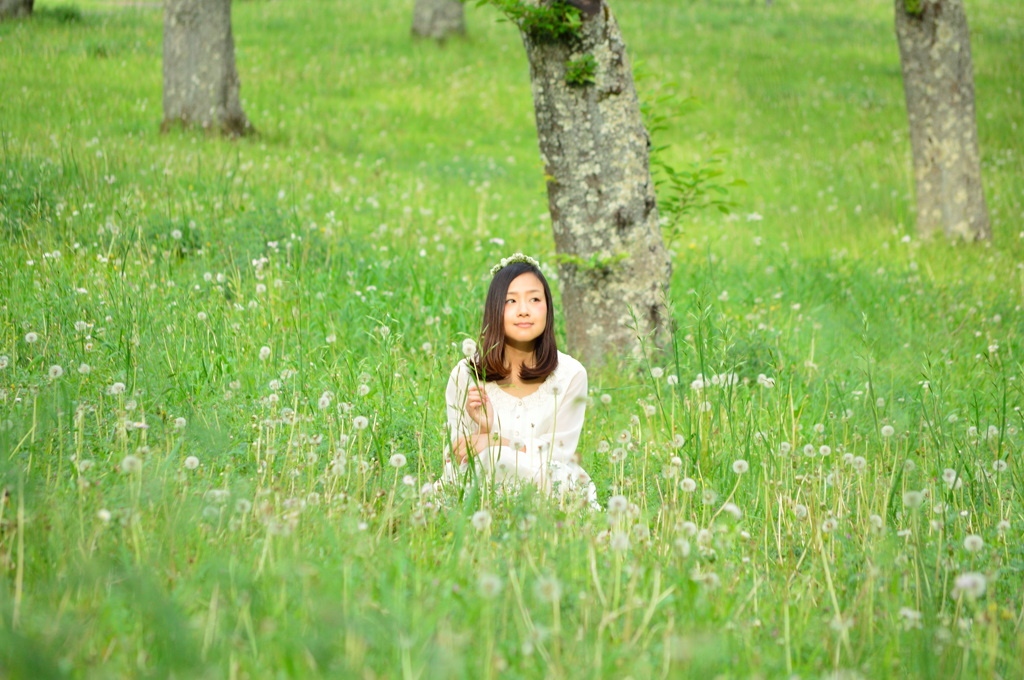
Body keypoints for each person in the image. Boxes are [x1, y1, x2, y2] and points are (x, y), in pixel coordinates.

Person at [441, 254, 598, 507]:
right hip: (482, 495)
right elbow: (457, 455)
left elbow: (559, 453)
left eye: (534, 299)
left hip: (548, 489)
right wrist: (483, 427)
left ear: (548, 307)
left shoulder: (571, 374)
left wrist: (494, 441)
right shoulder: (467, 374)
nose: (524, 310)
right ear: (494, 309)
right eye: (511, 300)